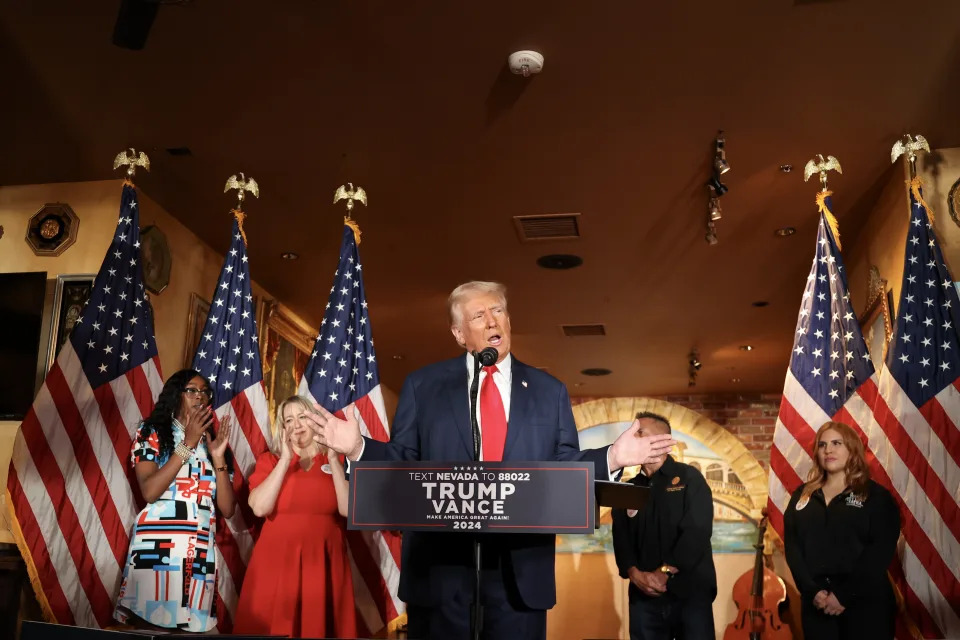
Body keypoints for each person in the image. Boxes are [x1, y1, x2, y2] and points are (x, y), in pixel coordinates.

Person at [307, 280, 677, 640]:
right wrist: (359, 449)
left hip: (519, 575)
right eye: (479, 315)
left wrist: (614, 455)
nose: (492, 321)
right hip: (440, 572)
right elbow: (404, 462)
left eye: (499, 311)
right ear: (458, 334)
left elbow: (565, 467)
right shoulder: (424, 385)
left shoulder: (549, 392)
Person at [114, 369, 235, 632]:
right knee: (154, 629)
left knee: (198, 629)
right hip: (159, 550)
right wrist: (187, 445)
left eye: (205, 391)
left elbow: (227, 508)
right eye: (192, 390)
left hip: (199, 551)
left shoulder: (213, 440)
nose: (200, 396)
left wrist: (218, 459)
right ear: (176, 394)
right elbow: (149, 491)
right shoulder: (152, 432)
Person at [233, 395, 356, 637]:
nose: (296, 424)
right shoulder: (270, 461)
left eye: (302, 417)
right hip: (276, 565)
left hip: (323, 563)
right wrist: (286, 460)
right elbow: (259, 508)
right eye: (289, 420)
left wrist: (334, 459)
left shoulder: (336, 460)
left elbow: (348, 510)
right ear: (283, 428)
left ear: (315, 420)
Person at [783, 421, 900, 640]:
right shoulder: (802, 496)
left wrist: (844, 595)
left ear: (852, 449)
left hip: (865, 606)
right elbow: (793, 548)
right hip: (817, 605)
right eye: (822, 445)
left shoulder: (876, 497)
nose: (828, 450)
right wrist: (812, 591)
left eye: (837, 443)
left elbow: (879, 552)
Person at [611, 411, 716, 640]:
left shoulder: (689, 479)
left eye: (639, 433)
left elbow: (696, 532)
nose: (632, 438)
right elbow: (621, 538)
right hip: (643, 598)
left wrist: (665, 571)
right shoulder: (627, 488)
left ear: (662, 442)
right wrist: (633, 572)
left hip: (690, 595)